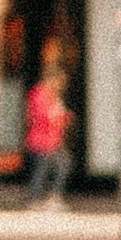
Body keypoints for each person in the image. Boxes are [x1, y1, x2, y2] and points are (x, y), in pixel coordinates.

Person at [24, 63, 72, 202]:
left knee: (59, 165)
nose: (62, 86)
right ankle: (38, 198)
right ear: (52, 79)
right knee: (45, 169)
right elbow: (42, 116)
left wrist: (63, 118)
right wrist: (60, 117)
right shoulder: (40, 94)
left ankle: (47, 197)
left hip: (52, 139)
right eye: (60, 82)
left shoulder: (52, 96)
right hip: (42, 140)